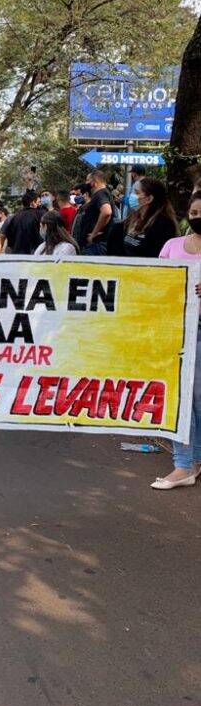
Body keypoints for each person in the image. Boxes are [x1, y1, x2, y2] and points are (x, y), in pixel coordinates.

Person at [152, 192, 201, 490]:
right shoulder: (172, 246)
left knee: (196, 399)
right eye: (194, 213)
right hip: (174, 332)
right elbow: (154, 284)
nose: (198, 218)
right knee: (178, 398)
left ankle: (194, 462)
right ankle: (183, 465)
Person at [108, 177, 178, 259]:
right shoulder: (132, 219)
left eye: (137, 193)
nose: (132, 196)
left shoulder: (164, 226)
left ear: (149, 199)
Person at [74, 169, 114, 255]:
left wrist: (94, 234)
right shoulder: (102, 193)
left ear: (95, 181)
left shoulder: (100, 194)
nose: (86, 183)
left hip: (95, 245)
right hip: (95, 244)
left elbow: (107, 212)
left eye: (88, 180)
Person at [0, 191, 43, 255]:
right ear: (33, 203)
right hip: (34, 255)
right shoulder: (40, 215)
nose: (40, 204)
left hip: (15, 254)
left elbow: (3, 238)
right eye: (38, 202)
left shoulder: (12, 218)